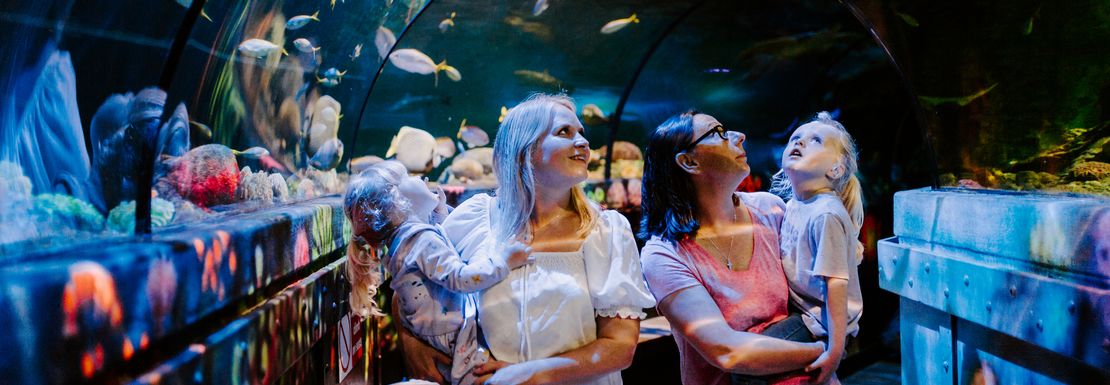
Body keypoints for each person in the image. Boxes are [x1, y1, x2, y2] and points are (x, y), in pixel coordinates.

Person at [396, 93, 656, 385]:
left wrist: (528, 374)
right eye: (564, 132)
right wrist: (410, 341)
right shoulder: (474, 219)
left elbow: (620, 347)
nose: (583, 142)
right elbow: (411, 280)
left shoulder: (605, 231)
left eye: (581, 133)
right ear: (525, 149)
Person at [638, 110, 827, 385]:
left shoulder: (770, 209)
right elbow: (726, 352)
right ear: (688, 161)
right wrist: (825, 350)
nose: (739, 137)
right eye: (718, 133)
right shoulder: (664, 254)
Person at [344, 160, 532, 385]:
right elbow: (459, 277)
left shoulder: (410, 240)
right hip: (455, 338)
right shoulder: (419, 241)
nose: (420, 178)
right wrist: (505, 261)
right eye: (408, 176)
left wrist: (441, 215)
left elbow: (439, 257)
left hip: (440, 332)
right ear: (397, 202)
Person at [767, 111, 865, 384]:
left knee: (746, 367)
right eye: (796, 137)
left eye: (815, 140)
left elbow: (835, 285)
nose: (799, 142)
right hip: (803, 309)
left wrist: (835, 350)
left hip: (818, 320)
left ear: (836, 169)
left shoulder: (825, 215)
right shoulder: (796, 204)